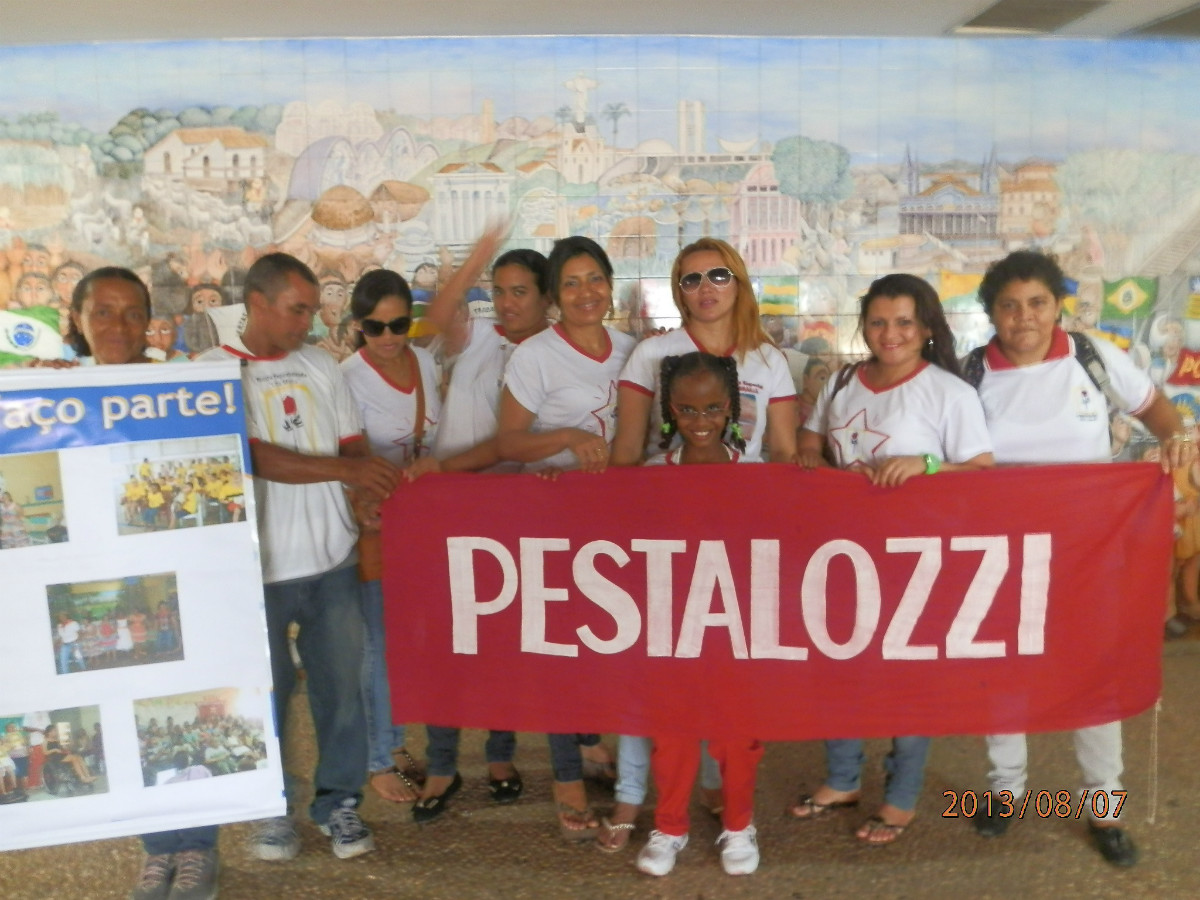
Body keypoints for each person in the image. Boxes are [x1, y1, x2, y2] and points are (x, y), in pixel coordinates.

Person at [965, 250, 1195, 867]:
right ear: (990, 312)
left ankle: (1105, 808)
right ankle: (1004, 792)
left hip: (1092, 555)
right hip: (1003, 557)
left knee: (1096, 678)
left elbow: (1155, 409)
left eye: (1037, 303)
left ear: (1057, 306)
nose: (1024, 318)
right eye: (1008, 306)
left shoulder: (1092, 358)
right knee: (1005, 674)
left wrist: (1174, 440)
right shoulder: (969, 375)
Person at [201, 252, 399, 865]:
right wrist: (347, 469)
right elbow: (251, 456)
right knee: (264, 695)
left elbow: (351, 443)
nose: (308, 324)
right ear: (256, 303)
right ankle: (270, 811)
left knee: (341, 692)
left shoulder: (321, 365)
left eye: (313, 311)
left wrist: (365, 494)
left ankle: (338, 803)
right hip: (254, 570)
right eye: (297, 310)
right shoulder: (212, 371)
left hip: (332, 560)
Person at [606, 238, 799, 846]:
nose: (706, 288)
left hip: (746, 544)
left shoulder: (768, 361)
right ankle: (656, 812)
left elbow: (786, 457)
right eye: (690, 280)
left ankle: (733, 810)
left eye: (718, 276)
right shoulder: (653, 353)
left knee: (735, 682)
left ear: (739, 282)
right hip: (671, 541)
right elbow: (628, 455)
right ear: (677, 289)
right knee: (665, 681)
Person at [793, 273, 994, 844]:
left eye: (904, 321)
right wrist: (813, 460)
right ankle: (842, 779)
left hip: (917, 563)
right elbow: (812, 439)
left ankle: (902, 796)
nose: (890, 333)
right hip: (844, 555)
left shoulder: (948, 392)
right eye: (878, 321)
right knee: (841, 670)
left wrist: (926, 467)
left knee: (909, 681)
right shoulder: (842, 383)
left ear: (926, 327)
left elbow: (982, 472)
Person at [401, 227, 548, 822]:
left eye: (520, 292)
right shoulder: (480, 339)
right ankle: (441, 764)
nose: (508, 303)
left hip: (511, 520)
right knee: (447, 648)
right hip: (447, 515)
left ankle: (500, 757)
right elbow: (431, 318)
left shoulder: (551, 355)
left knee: (502, 648)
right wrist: (474, 259)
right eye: (501, 290)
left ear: (546, 301)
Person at [497, 235, 635, 840]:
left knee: (609, 652)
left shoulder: (634, 352)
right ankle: (567, 784)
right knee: (558, 657)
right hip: (553, 529)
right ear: (554, 296)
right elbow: (508, 442)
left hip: (620, 530)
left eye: (595, 279)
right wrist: (566, 441)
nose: (586, 293)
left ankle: (595, 745)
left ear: (611, 283)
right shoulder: (535, 356)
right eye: (571, 283)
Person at [634, 352, 763, 877]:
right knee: (672, 734)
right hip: (672, 626)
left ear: (730, 406)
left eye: (713, 408)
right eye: (687, 409)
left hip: (736, 626)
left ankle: (739, 823)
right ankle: (669, 826)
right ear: (669, 409)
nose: (702, 420)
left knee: (738, 734)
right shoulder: (647, 475)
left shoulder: (757, 475)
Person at [339, 268, 439, 807]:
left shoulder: (425, 363)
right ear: (358, 326)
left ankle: (394, 743)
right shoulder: (348, 377)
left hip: (420, 528)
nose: (389, 337)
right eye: (375, 328)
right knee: (379, 644)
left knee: (406, 643)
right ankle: (378, 759)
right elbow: (349, 456)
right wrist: (368, 501)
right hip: (374, 528)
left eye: (399, 323)